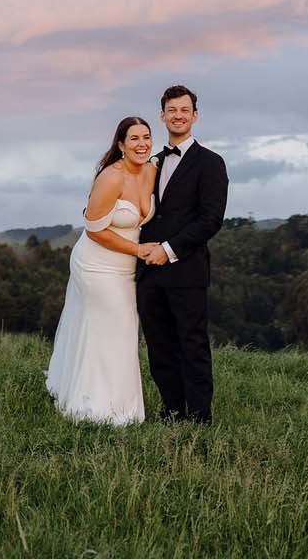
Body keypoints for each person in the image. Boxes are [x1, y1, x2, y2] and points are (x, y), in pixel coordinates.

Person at [45, 116, 166, 425]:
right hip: (97, 263)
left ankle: (123, 406)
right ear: (121, 145)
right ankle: (97, 409)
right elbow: (95, 229)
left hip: (126, 270)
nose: (142, 143)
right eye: (134, 138)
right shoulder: (111, 178)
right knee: (112, 326)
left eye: (146, 137)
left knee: (123, 331)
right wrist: (140, 250)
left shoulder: (152, 170)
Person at [134, 85, 229, 424]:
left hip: (185, 270)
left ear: (195, 116)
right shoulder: (150, 162)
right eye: (171, 110)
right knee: (159, 348)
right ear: (162, 115)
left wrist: (168, 250)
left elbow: (210, 220)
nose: (178, 115)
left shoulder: (211, 163)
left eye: (184, 110)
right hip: (147, 272)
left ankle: (200, 418)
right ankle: (171, 411)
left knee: (192, 346)